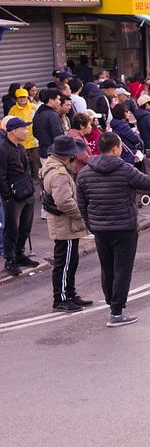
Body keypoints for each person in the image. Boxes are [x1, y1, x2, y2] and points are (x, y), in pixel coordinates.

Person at [77, 132, 150, 326]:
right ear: (116, 148)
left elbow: (82, 203)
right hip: (124, 227)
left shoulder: (84, 173)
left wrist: (91, 224)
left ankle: (112, 303)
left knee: (107, 268)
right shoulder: (125, 169)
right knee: (122, 269)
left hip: (100, 228)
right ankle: (116, 311)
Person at [40, 135, 92, 311]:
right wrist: (81, 215)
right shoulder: (59, 173)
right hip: (65, 224)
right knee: (65, 262)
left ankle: (69, 293)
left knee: (70, 260)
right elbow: (64, 202)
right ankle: (61, 297)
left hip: (64, 223)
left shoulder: (54, 167)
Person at [1, 118, 37, 276]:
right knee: (12, 229)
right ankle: (10, 260)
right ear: (13, 131)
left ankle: (19, 254)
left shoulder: (21, 148)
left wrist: (30, 188)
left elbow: (26, 170)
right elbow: (1, 175)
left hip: (26, 193)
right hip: (13, 197)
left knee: (25, 228)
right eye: (23, 128)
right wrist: (7, 196)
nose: (27, 131)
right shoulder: (3, 149)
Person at [6, 87, 39, 171]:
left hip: (34, 140)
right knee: (24, 164)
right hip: (21, 141)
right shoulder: (13, 110)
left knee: (37, 163)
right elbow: (9, 124)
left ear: (27, 97)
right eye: (20, 97)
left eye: (24, 97)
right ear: (16, 99)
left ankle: (39, 178)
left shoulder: (33, 107)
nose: (22, 99)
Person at [32, 89, 67, 160]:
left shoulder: (38, 112)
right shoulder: (52, 115)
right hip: (53, 154)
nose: (60, 102)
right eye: (58, 99)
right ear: (51, 100)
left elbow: (35, 133)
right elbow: (58, 136)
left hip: (42, 151)